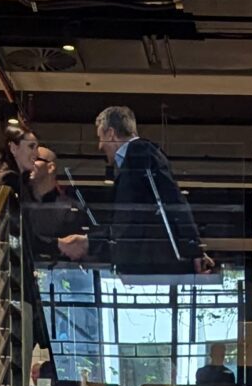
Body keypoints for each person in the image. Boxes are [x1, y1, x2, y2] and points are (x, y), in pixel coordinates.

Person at [92, 104, 217, 280]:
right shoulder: (140, 155)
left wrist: (193, 248)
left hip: (149, 259)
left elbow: (172, 200)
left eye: (100, 137)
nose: (99, 146)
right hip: (148, 259)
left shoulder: (139, 153)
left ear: (111, 133)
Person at [22, 139, 100, 386]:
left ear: (51, 167)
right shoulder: (18, 202)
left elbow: (80, 254)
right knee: (19, 351)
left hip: (59, 296)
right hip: (24, 289)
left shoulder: (71, 208)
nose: (31, 163)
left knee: (62, 359)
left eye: (37, 158)